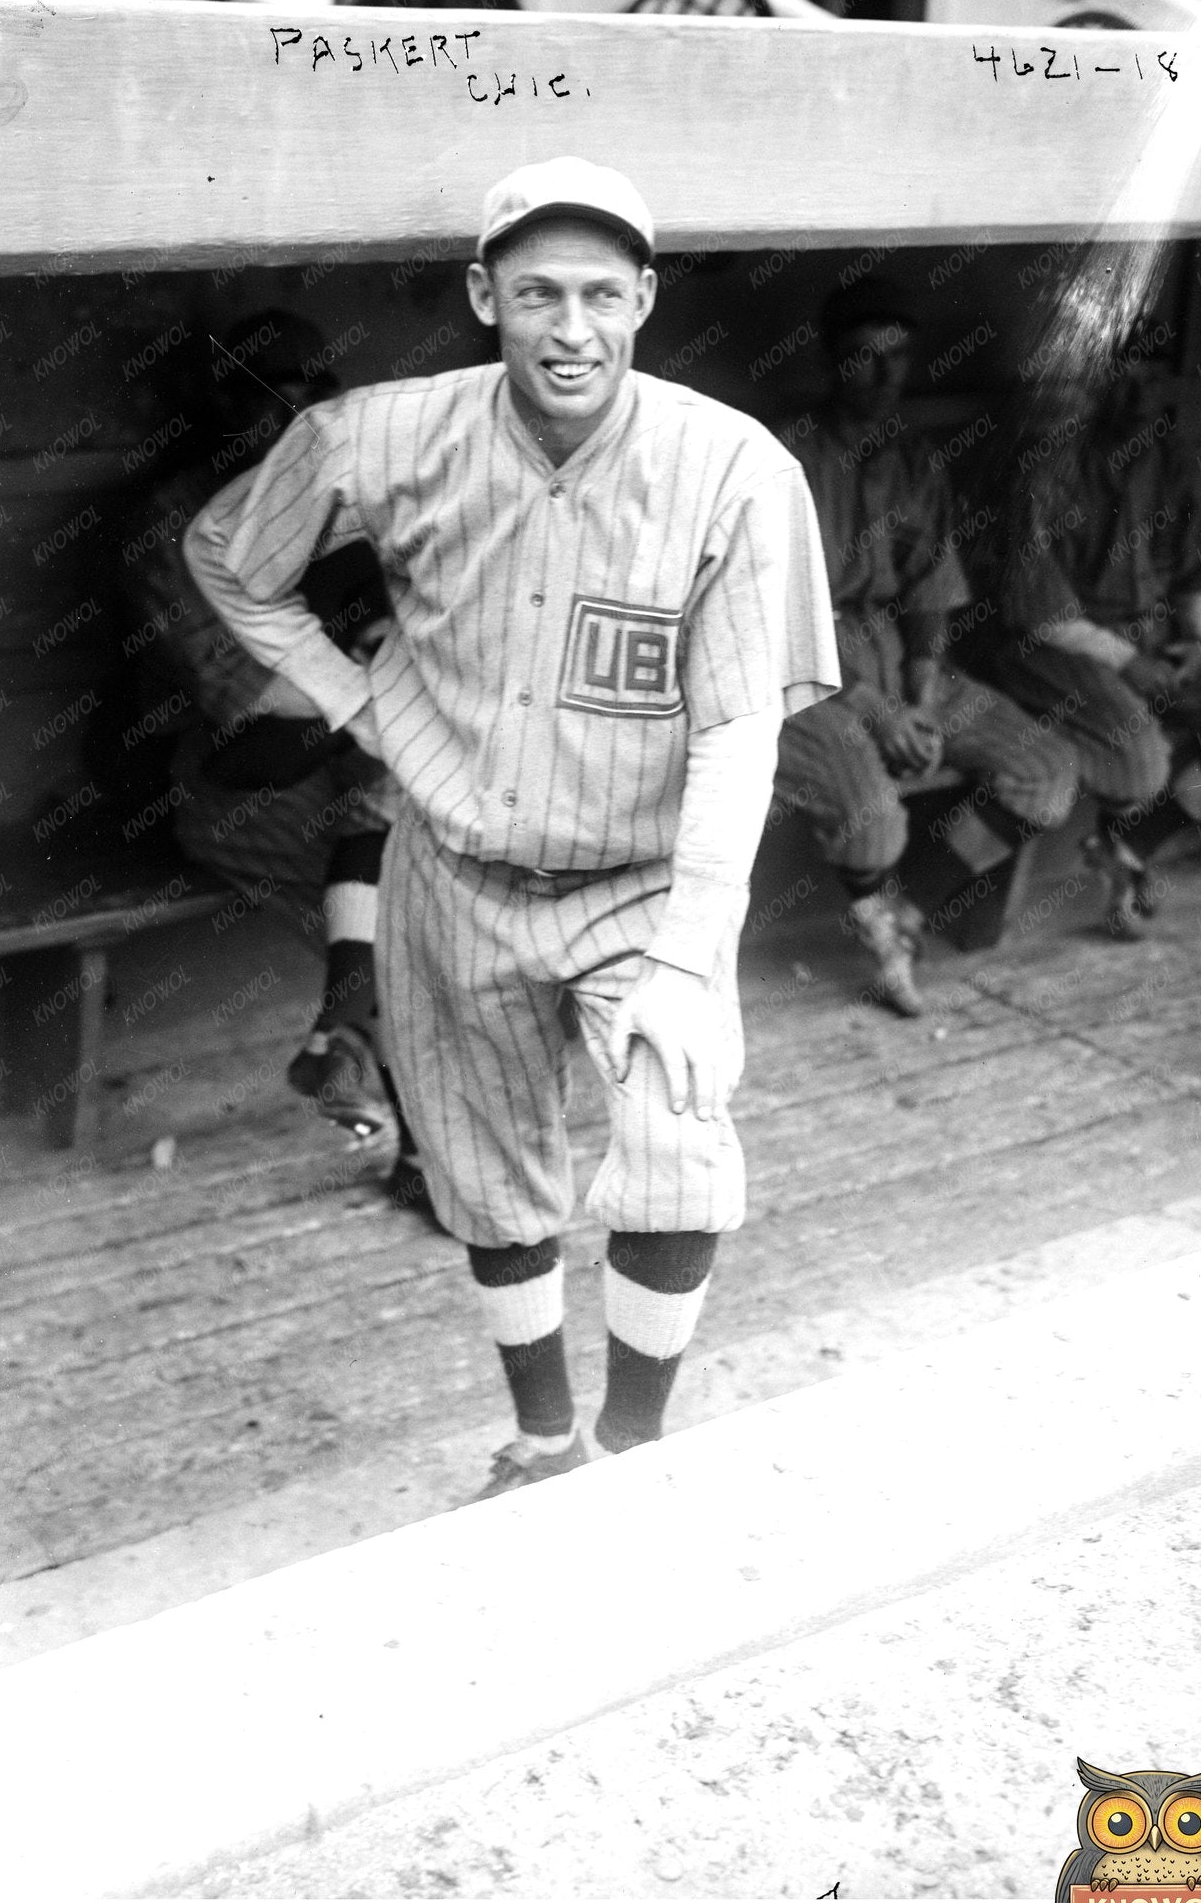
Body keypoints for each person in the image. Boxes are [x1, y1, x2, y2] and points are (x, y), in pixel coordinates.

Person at [184, 157, 839, 1498]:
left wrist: (680, 956)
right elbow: (228, 557)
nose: (570, 325)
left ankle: (628, 1448)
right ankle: (541, 1438)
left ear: (644, 299)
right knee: (485, 1181)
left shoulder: (729, 468)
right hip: (452, 870)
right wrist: (354, 702)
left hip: (639, 881)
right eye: (536, 290)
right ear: (484, 293)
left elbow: (735, 732)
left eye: (602, 292)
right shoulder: (382, 435)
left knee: (673, 1149)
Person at [113, 308, 433, 1216]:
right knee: (406, 914)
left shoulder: (339, 507)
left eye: (306, 398)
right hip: (233, 783)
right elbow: (259, 721)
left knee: (431, 863)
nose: (283, 421)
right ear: (212, 411)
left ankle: (348, 1044)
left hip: (350, 764)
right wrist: (374, 677)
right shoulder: (174, 526)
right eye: (256, 400)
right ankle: (420, 1140)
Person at [770, 279, 1081, 1014]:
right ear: (831, 362)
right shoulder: (785, 455)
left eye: (898, 359)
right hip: (802, 672)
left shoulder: (914, 459)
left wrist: (919, 691)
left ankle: (914, 905)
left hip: (895, 656)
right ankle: (880, 935)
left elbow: (930, 590)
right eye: (862, 359)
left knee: (1046, 768)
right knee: (874, 820)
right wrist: (880, 712)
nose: (882, 378)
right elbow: (780, 614)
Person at [963, 324, 1201, 938]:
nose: (1138, 388)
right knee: (1142, 763)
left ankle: (1133, 844)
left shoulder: (1164, 452)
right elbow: (1038, 610)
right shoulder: (1048, 463)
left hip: (1144, 640)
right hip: (1045, 645)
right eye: (1123, 371)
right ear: (1092, 375)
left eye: (1152, 372)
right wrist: (1133, 665)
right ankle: (956, 879)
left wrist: (1193, 638)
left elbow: (1200, 560)